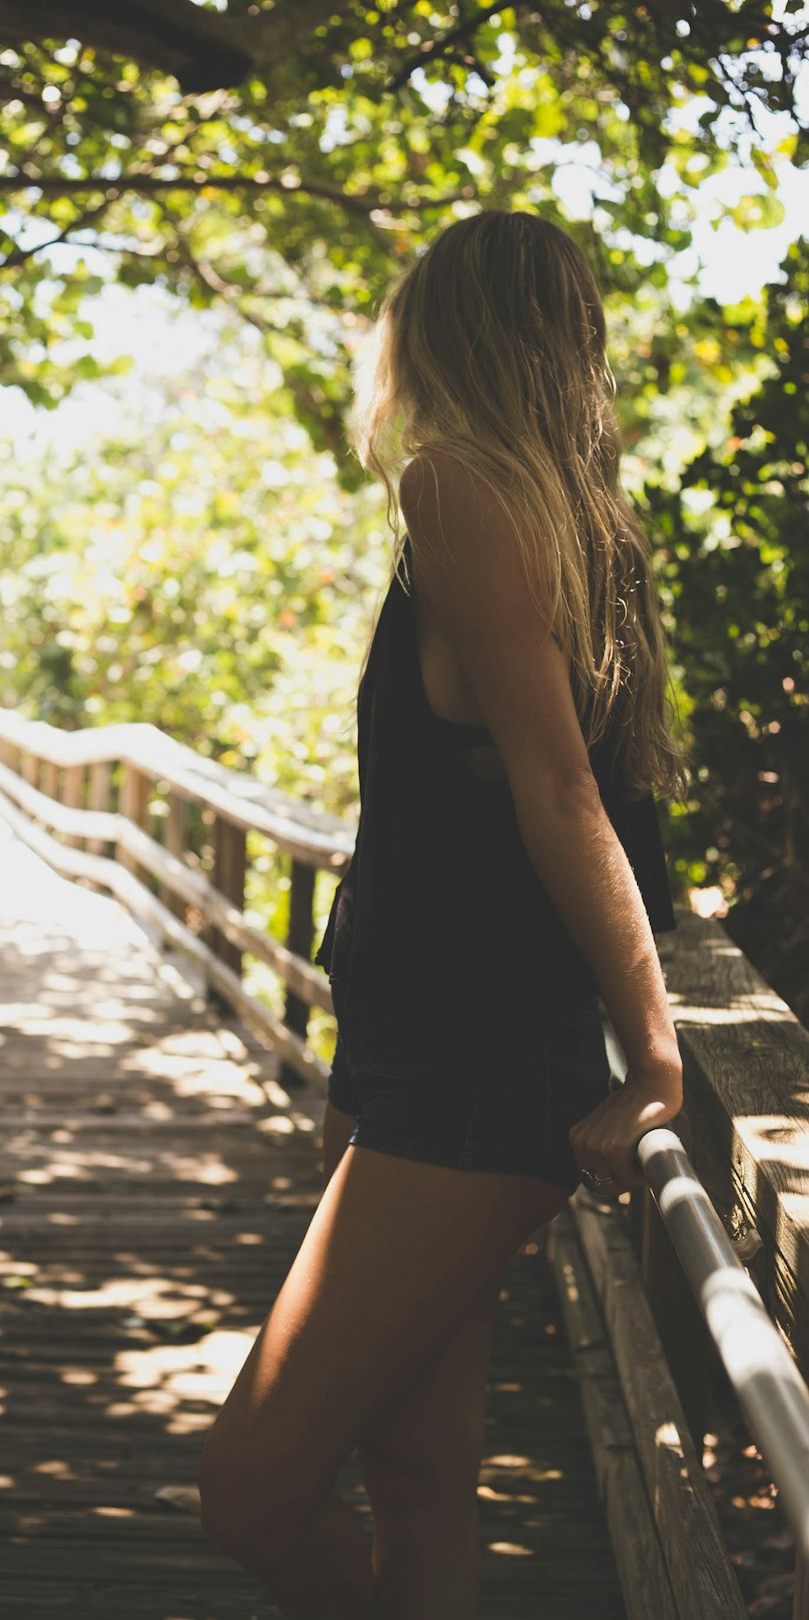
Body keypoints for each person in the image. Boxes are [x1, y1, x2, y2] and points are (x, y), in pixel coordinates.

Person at [196, 208, 690, 1619]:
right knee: (417, 1480)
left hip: (470, 1080)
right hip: (422, 1059)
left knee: (251, 1493)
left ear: (448, 329)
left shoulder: (456, 489)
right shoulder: (572, 523)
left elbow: (563, 790)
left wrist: (651, 1054)